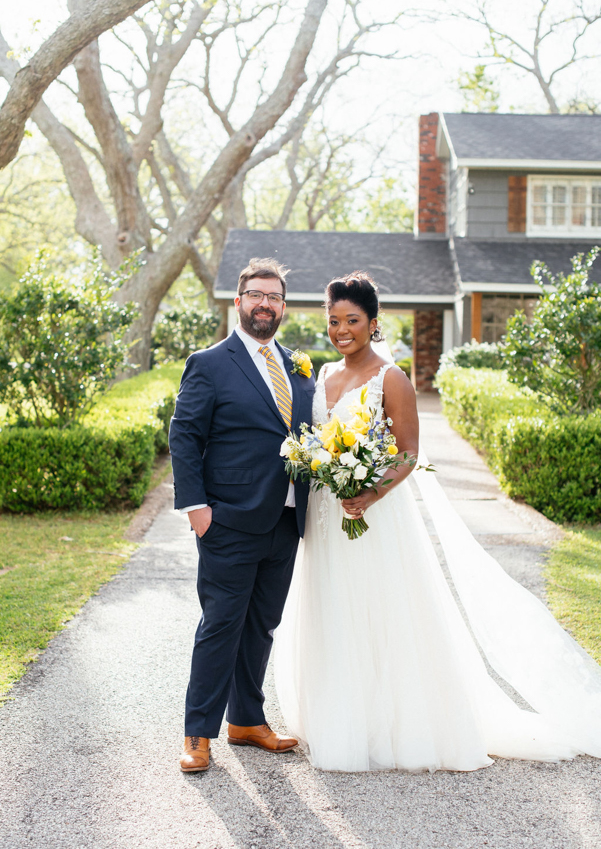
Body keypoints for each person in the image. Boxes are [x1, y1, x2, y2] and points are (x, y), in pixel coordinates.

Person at [275, 271, 601, 772]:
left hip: (375, 517)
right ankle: (338, 718)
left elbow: (408, 454)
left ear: (373, 323)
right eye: (334, 321)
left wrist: (369, 493)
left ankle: (394, 723)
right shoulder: (322, 377)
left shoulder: (393, 378)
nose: (341, 330)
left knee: (380, 611)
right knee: (334, 607)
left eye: (352, 321)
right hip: (326, 515)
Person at [169, 257, 315, 772]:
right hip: (227, 518)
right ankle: (197, 733)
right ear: (238, 301)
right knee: (220, 625)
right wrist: (196, 508)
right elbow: (184, 434)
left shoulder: (299, 365)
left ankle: (246, 720)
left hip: (286, 519)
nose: (265, 304)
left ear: (283, 306)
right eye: (256, 294)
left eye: (274, 297)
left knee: (261, 625)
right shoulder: (209, 362)